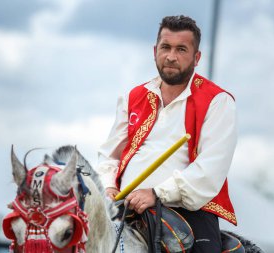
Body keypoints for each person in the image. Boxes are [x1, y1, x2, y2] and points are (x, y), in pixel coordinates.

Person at [97, 15, 237, 253]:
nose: (171, 56)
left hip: (188, 213)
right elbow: (110, 155)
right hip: (123, 208)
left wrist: (157, 194)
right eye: (166, 47)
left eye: (181, 49)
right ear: (155, 51)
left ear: (197, 57)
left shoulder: (218, 101)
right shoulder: (133, 96)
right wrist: (107, 186)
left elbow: (210, 171)